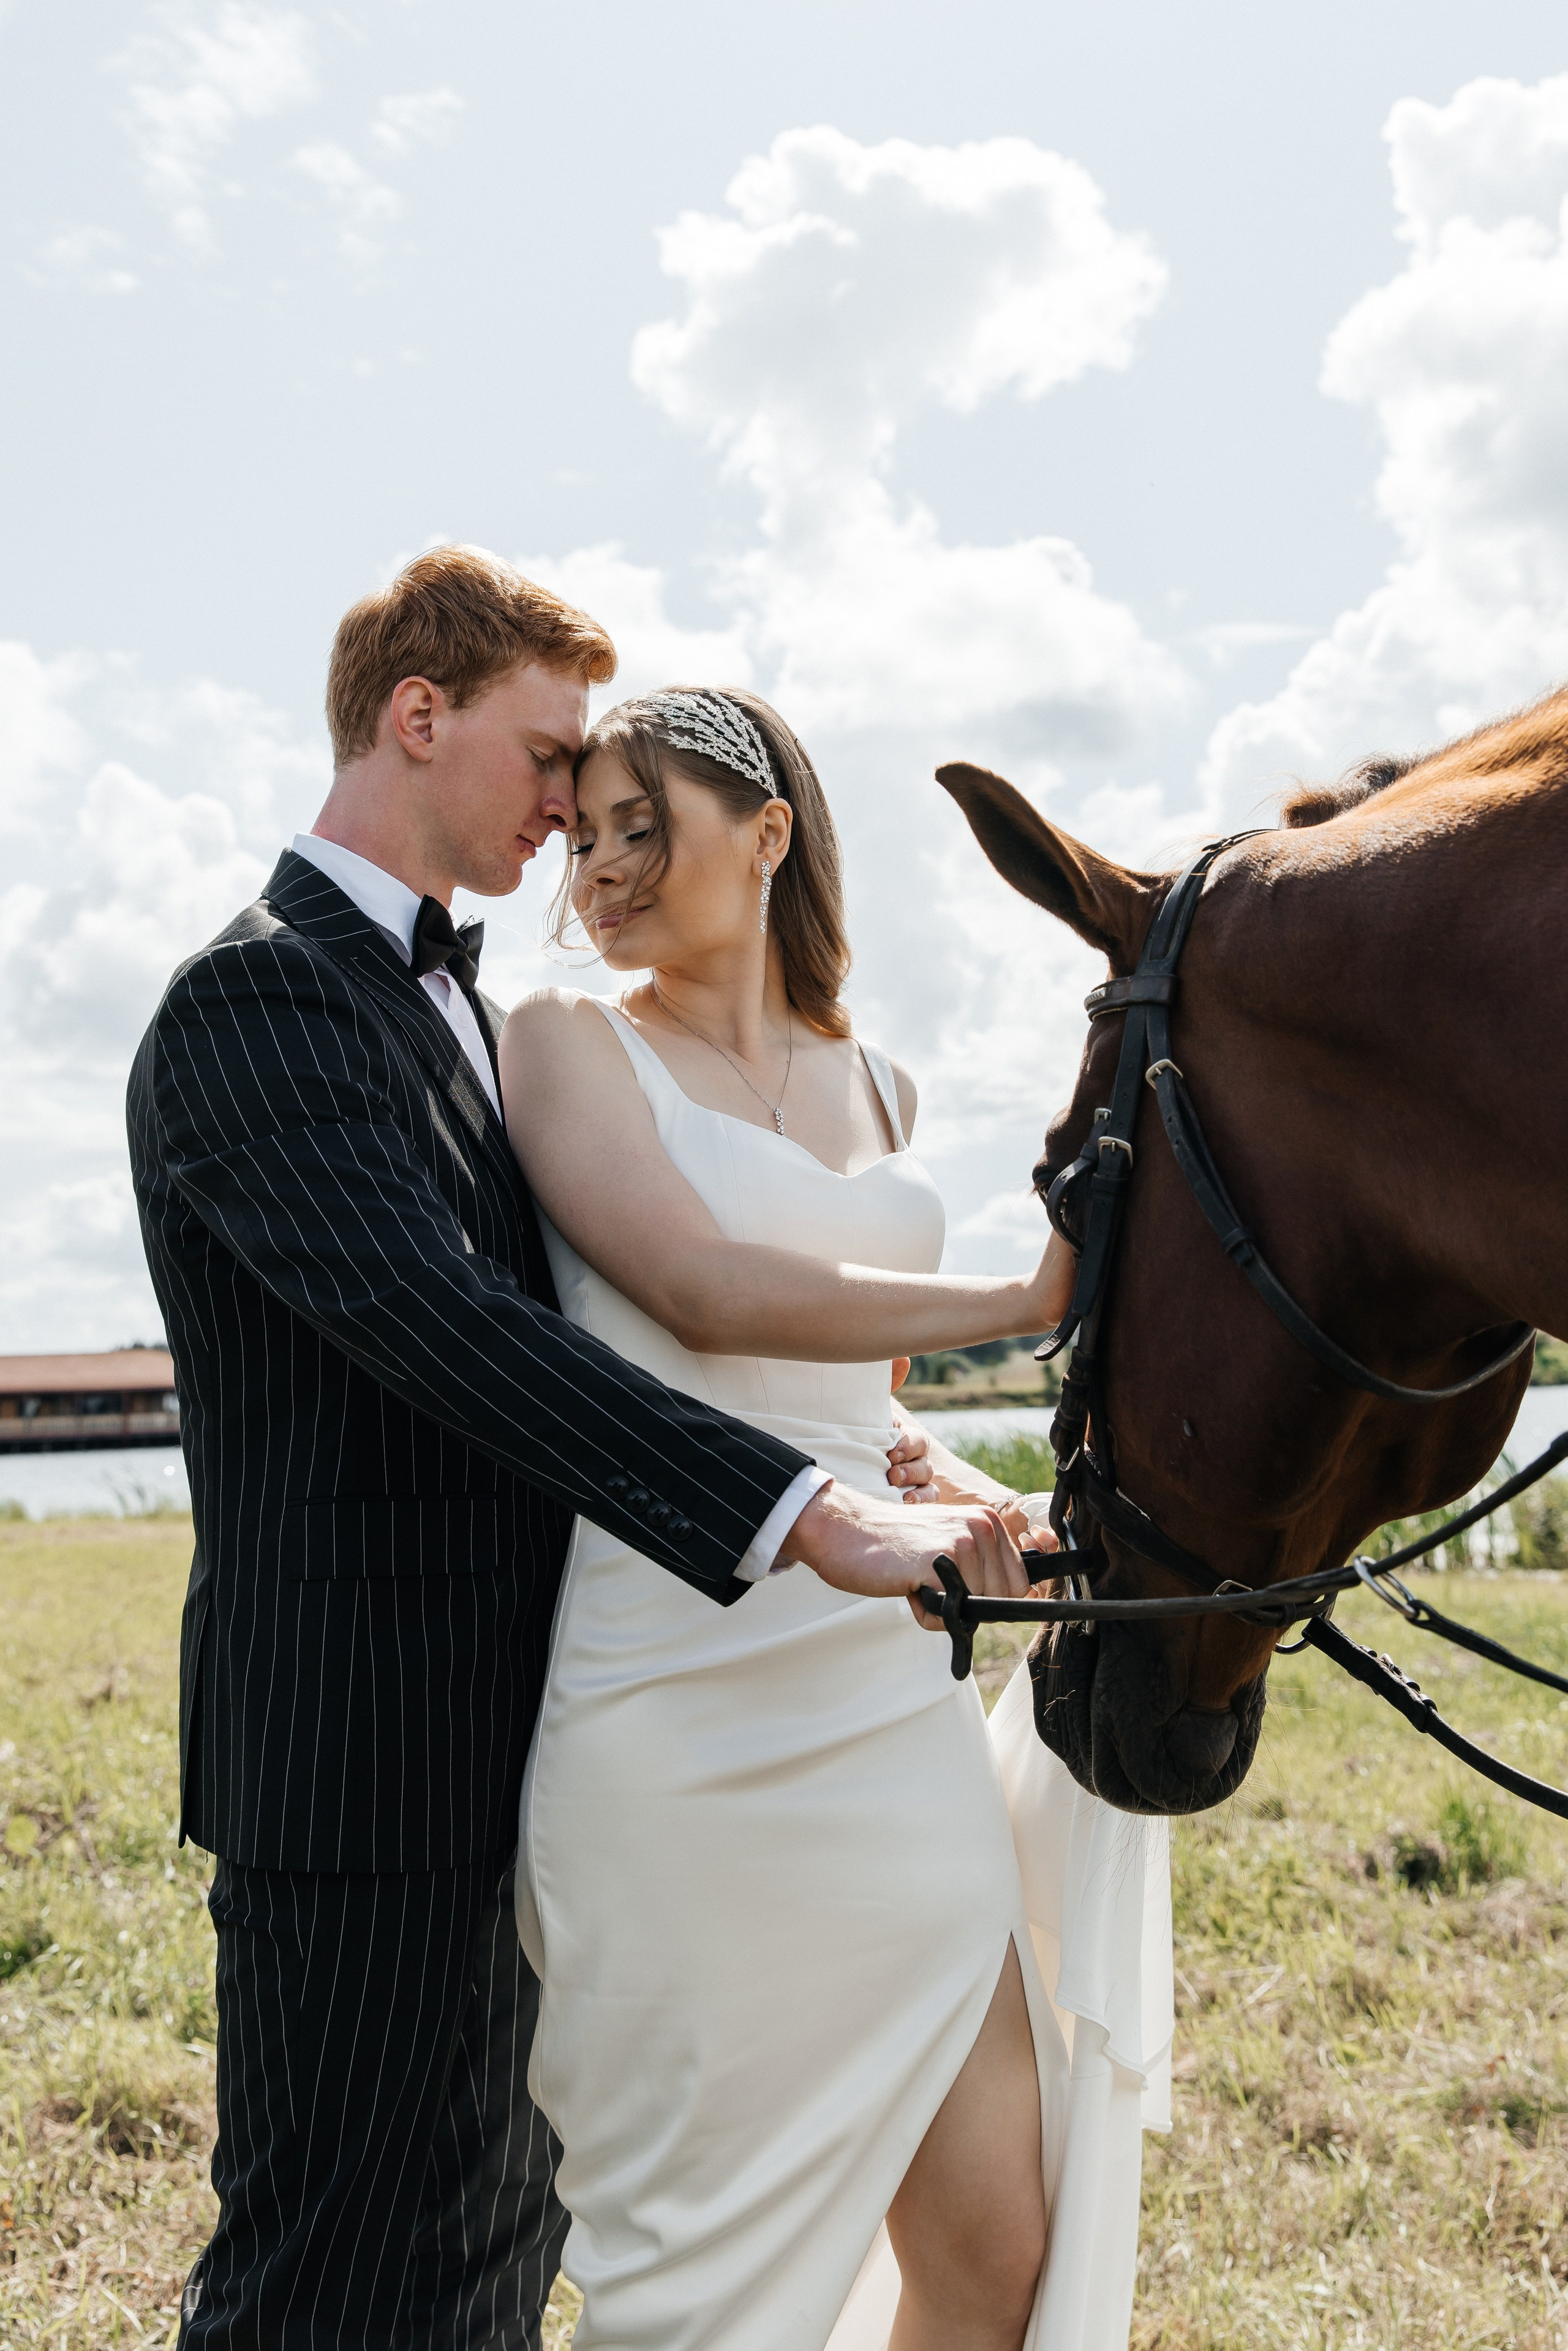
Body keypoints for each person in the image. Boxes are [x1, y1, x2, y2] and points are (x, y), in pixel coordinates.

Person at [126, 548, 1037, 2351]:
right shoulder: (256, 1003)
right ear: (418, 715)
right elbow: (446, 1332)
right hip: (364, 1757)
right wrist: (797, 1513)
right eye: (550, 760)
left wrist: (905, 1465)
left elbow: (604, 1321)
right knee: (329, 2281)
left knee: (484, 2271)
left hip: (536, 1725)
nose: (569, 813)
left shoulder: (455, 1008)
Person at [500, 684, 1172, 2351]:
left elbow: (853, 1409)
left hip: (884, 1700)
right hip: (673, 1707)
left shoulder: (883, 1083)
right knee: (700, 2280)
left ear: (771, 832)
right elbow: (702, 1288)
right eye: (583, 839)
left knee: (997, 2245)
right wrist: (1026, 1292)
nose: (602, 871)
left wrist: (962, 1487)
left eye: (641, 825)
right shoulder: (566, 1044)